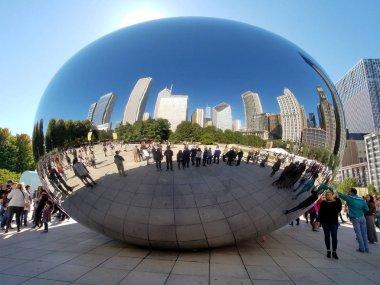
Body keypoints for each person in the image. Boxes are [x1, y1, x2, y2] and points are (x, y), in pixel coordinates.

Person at [337, 188, 370, 253]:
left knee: (358, 233)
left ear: (352, 192)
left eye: (349, 191)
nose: (348, 192)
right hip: (362, 217)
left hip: (355, 217)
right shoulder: (361, 199)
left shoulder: (349, 198)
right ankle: (367, 248)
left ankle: (362, 248)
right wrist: (361, 212)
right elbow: (367, 209)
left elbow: (339, 194)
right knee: (364, 233)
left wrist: (328, 188)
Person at [317, 191, 342, 259]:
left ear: (332, 195)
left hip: (334, 222)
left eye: (330, 195)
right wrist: (318, 221)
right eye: (327, 195)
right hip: (325, 222)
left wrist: (338, 198)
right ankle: (328, 251)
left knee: (334, 237)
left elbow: (340, 208)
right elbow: (320, 212)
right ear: (326, 196)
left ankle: (334, 252)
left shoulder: (335, 203)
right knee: (327, 237)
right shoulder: (323, 203)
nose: (329, 196)